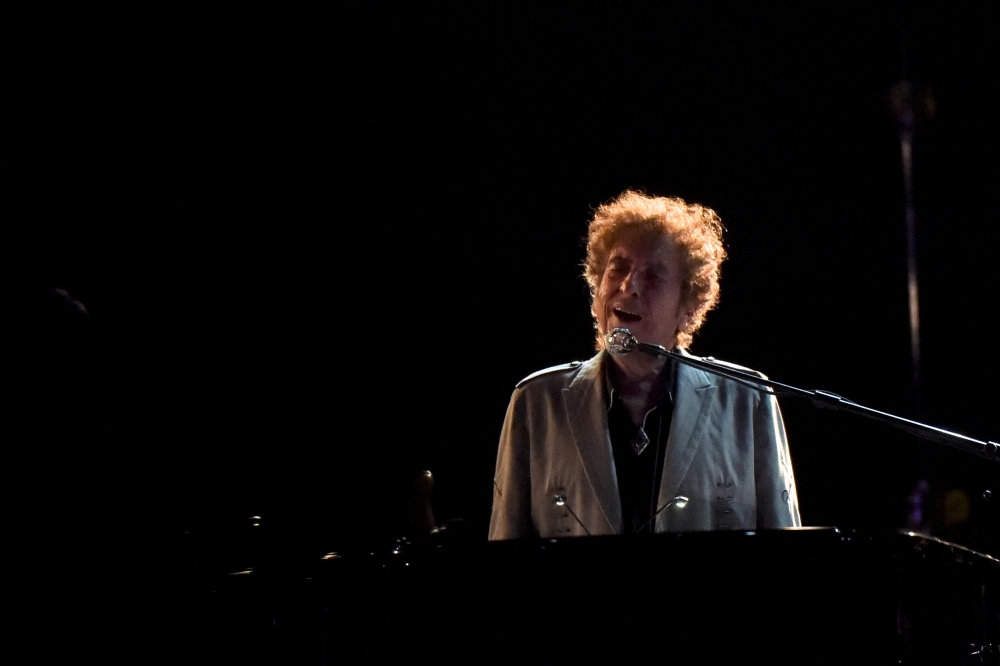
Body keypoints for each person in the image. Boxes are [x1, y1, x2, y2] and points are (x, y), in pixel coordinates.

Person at [489, 190, 800, 539]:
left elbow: (785, 552)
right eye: (617, 268)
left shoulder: (747, 398)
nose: (628, 286)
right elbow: (505, 555)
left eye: (653, 276)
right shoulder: (536, 401)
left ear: (688, 307)